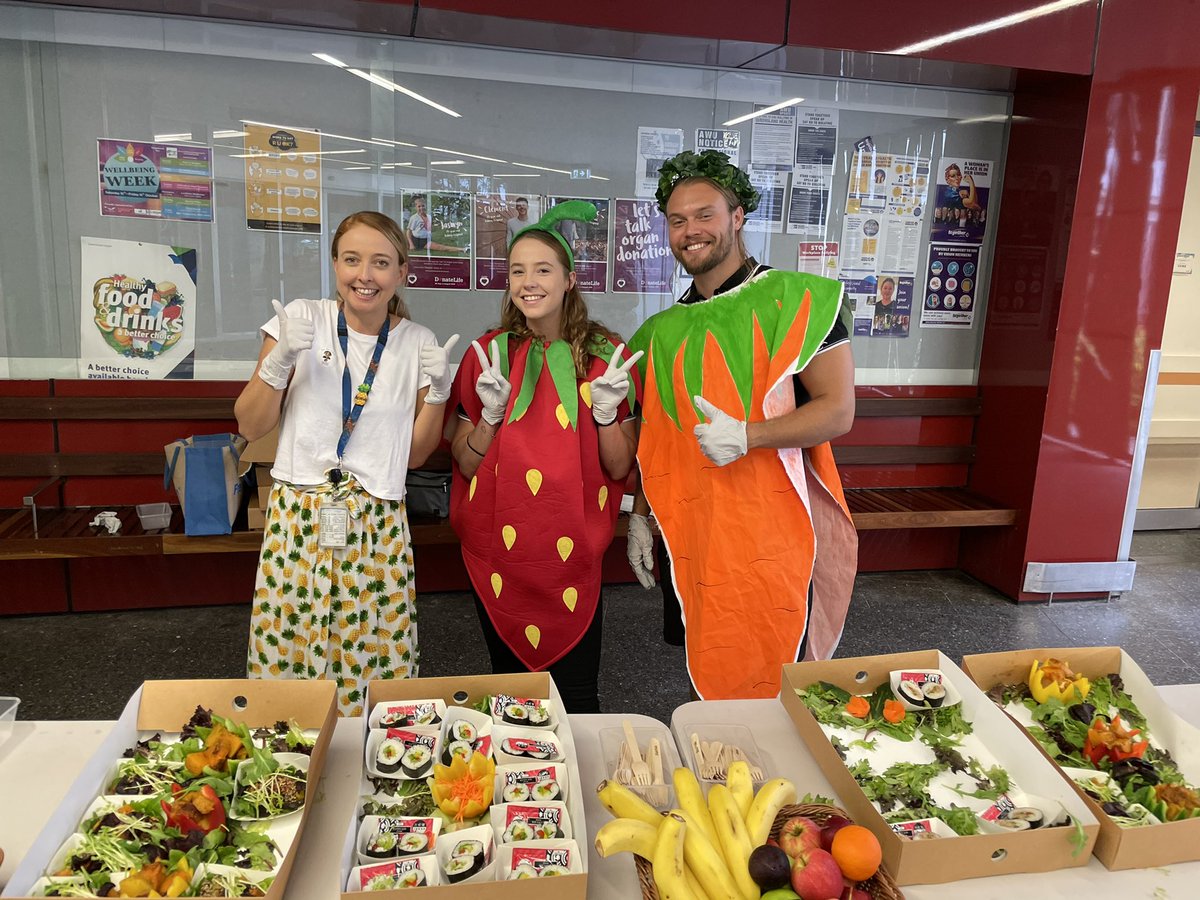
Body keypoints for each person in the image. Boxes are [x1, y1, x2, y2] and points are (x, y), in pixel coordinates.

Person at [626, 150, 857, 701]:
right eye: (677, 220)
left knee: (777, 683)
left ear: (737, 216)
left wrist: (750, 435)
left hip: (773, 536)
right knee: (710, 666)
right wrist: (639, 514)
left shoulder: (800, 300)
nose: (690, 231)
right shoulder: (659, 331)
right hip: (694, 534)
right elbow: (657, 439)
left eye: (704, 214)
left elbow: (837, 410)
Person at [236, 210, 459, 716]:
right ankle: (290, 751)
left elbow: (416, 454)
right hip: (299, 517)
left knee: (374, 655)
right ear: (335, 264)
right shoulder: (300, 320)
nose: (365, 275)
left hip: (376, 521)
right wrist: (279, 362)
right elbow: (250, 425)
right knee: (289, 647)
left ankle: (372, 752)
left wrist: (439, 393)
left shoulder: (418, 341)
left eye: (381, 262)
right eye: (352, 259)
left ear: (401, 272)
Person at [449, 201, 641, 713]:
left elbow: (619, 467)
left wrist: (606, 415)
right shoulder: (487, 355)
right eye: (517, 271)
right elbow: (465, 464)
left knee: (576, 699)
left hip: (571, 556)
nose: (528, 282)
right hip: (500, 554)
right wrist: (489, 417)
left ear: (570, 280)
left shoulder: (606, 357)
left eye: (542, 269)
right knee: (510, 692)